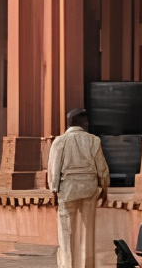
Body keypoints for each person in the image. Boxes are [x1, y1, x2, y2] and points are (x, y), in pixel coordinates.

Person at [48, 108, 110, 268]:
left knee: (66, 233)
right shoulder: (93, 140)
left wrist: (53, 191)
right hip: (89, 189)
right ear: (81, 122)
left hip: (67, 189)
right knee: (87, 232)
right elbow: (101, 167)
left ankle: (68, 265)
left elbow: (54, 168)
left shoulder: (59, 141)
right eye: (86, 121)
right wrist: (104, 188)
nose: (88, 124)